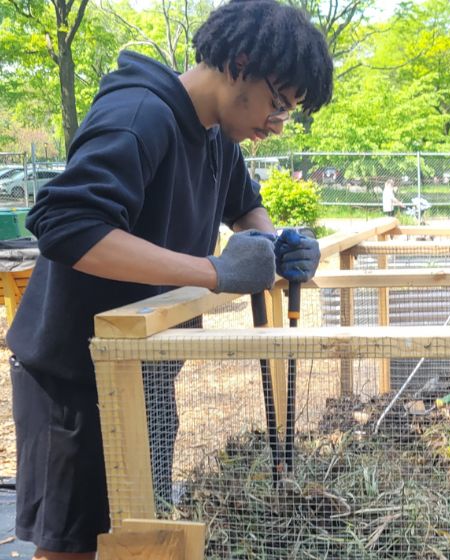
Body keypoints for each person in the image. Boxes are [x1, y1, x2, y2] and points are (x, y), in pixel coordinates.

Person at [6, 1, 333, 558]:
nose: (275, 125)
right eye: (277, 105)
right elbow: (66, 225)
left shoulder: (216, 136)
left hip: (144, 368)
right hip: (76, 378)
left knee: (135, 528)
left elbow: (246, 209)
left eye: (287, 113)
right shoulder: (141, 113)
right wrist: (212, 272)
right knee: (74, 543)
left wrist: (276, 244)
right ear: (240, 62)